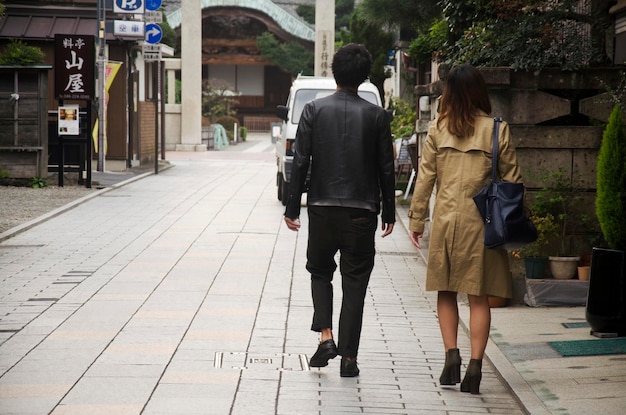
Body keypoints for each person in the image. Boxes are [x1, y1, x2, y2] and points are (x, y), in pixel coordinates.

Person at [283, 43, 396, 377]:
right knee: (355, 282)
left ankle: (326, 336)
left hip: (321, 207)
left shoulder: (314, 111)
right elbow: (386, 168)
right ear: (364, 76)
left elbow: (300, 161)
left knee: (320, 271)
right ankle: (349, 359)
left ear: (335, 72)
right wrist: (389, 212)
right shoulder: (377, 115)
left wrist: (293, 208)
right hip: (362, 211)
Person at [408, 64, 521, 394]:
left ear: (449, 93)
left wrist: (417, 221)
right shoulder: (497, 129)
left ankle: (451, 357)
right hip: (482, 223)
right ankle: (474, 366)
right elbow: (512, 181)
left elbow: (426, 178)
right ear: (479, 91)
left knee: (445, 291)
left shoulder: (438, 129)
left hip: (445, 220)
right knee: (479, 296)